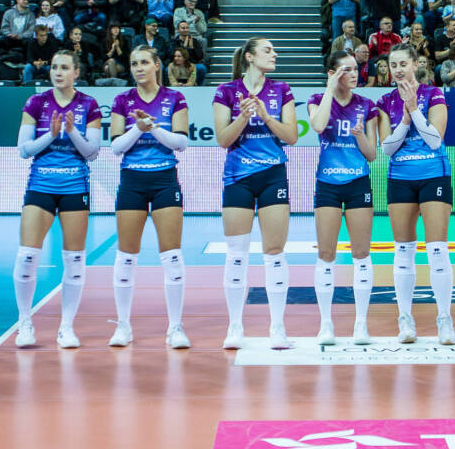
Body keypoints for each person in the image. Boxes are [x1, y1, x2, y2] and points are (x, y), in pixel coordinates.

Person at [13, 50, 103, 349]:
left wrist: (72, 131)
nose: (58, 72)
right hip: (41, 184)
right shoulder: (36, 103)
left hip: (75, 186)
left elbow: (92, 152)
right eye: (54, 67)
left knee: (74, 259)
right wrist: (51, 135)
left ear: (76, 72)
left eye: (64, 67)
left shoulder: (89, 104)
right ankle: (25, 322)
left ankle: (66, 327)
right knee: (27, 255)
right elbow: (24, 150)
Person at [213, 37, 299, 349]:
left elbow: (292, 136)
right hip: (238, 177)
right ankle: (235, 327)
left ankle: (277, 328)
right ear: (250, 57)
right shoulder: (226, 91)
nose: (274, 54)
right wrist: (243, 117)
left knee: (274, 252)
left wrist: (265, 116)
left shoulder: (282, 90)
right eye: (268, 50)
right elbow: (223, 139)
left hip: (273, 175)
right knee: (236, 254)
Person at [107, 46, 192, 349]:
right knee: (126, 256)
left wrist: (152, 127)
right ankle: (123, 326)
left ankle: (175, 328)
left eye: (144, 62)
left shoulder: (175, 98)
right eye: (134, 63)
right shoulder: (122, 100)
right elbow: (116, 147)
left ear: (157, 65)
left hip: (164, 179)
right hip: (132, 180)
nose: (138, 67)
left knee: (172, 256)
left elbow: (181, 143)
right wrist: (137, 128)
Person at [375, 42, 455, 344]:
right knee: (403, 250)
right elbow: (387, 148)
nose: (398, 69)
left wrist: (413, 108)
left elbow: (435, 141)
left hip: (434, 174)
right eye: (393, 65)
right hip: (400, 178)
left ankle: (444, 319)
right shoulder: (385, 101)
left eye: (403, 64)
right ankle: (405, 319)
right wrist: (406, 119)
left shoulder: (433, 94)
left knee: (437, 249)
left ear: (415, 64)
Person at [309, 54, 380, 345]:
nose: (354, 73)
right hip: (327, 183)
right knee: (326, 254)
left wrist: (360, 135)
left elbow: (372, 154)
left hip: (357, 183)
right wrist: (329, 89)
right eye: (346, 70)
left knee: (361, 254)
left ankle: (361, 324)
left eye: (355, 69)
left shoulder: (367, 105)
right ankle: (326, 324)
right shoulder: (317, 99)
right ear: (333, 73)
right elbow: (317, 126)